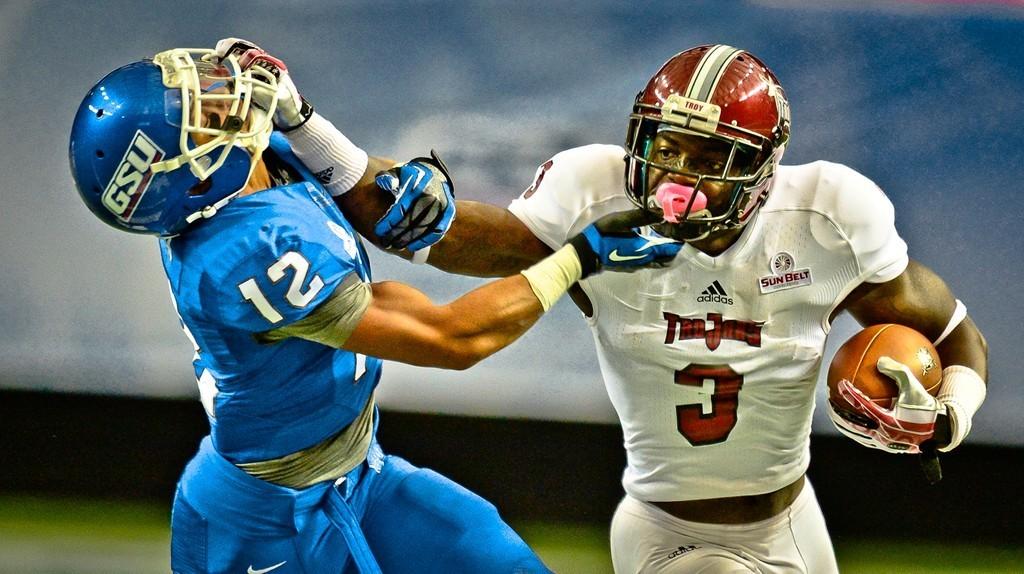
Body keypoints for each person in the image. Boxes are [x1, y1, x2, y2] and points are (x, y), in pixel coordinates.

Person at [335, 44, 990, 572]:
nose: (678, 176)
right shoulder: (595, 206)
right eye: (666, 148)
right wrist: (316, 145)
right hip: (672, 536)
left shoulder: (827, 218)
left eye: (710, 159)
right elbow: (436, 230)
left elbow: (958, 337)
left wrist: (944, 418)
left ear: (761, 170)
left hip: (796, 520)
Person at [67, 41, 682, 574]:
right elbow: (450, 338)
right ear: (190, 175)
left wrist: (304, 119)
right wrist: (582, 256)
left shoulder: (249, 167)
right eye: (199, 116)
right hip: (264, 522)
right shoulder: (241, 254)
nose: (221, 96)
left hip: (364, 474)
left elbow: (373, 198)